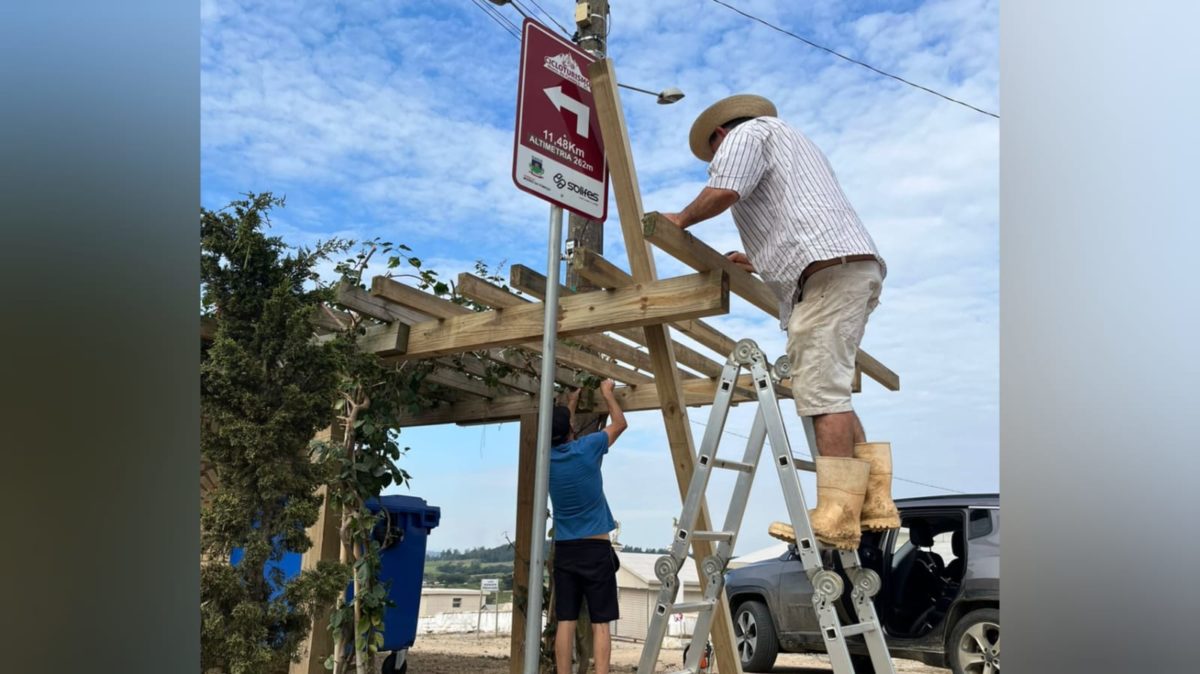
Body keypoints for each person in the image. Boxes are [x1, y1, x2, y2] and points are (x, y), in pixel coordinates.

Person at [660, 94, 900, 550]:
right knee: (833, 389)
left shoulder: (747, 134)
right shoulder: (788, 139)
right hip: (847, 267)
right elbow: (797, 213)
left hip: (827, 272)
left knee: (820, 392)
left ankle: (837, 513)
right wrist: (760, 259)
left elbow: (726, 188)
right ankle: (873, 501)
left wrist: (681, 219)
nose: (714, 163)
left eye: (713, 156)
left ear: (719, 135)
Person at [547, 379, 627, 674]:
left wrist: (570, 404)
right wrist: (607, 393)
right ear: (570, 430)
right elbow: (619, 424)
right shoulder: (587, 448)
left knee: (565, 620)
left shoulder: (546, 462)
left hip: (566, 549)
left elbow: (561, 431)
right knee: (600, 621)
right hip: (595, 548)